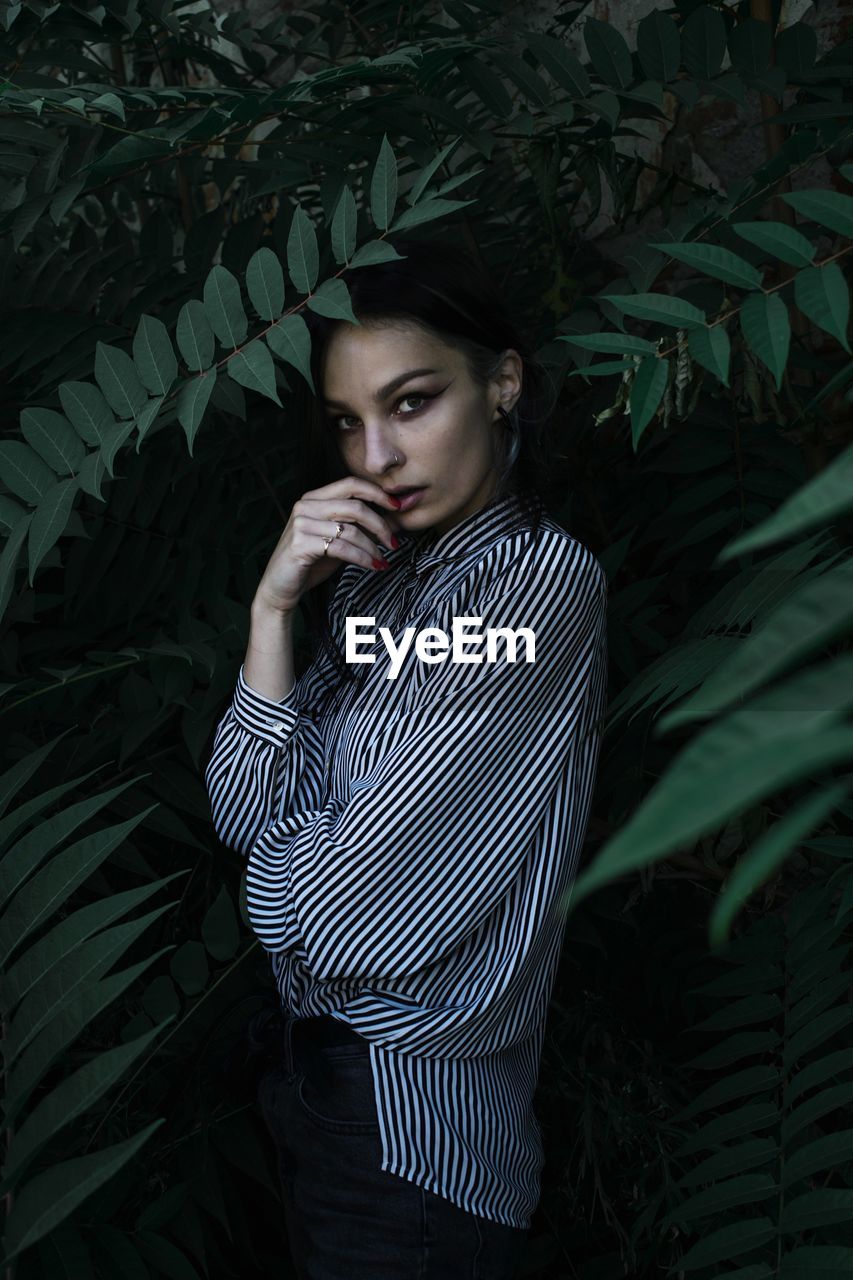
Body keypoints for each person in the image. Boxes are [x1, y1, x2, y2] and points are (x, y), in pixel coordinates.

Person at [204, 235, 609, 1278]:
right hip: (321, 1098)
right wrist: (273, 604)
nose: (374, 456)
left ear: (503, 381)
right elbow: (242, 805)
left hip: (412, 1139)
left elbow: (346, 915)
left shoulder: (533, 587)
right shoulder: (376, 586)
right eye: (347, 421)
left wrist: (291, 866)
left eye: (412, 402)